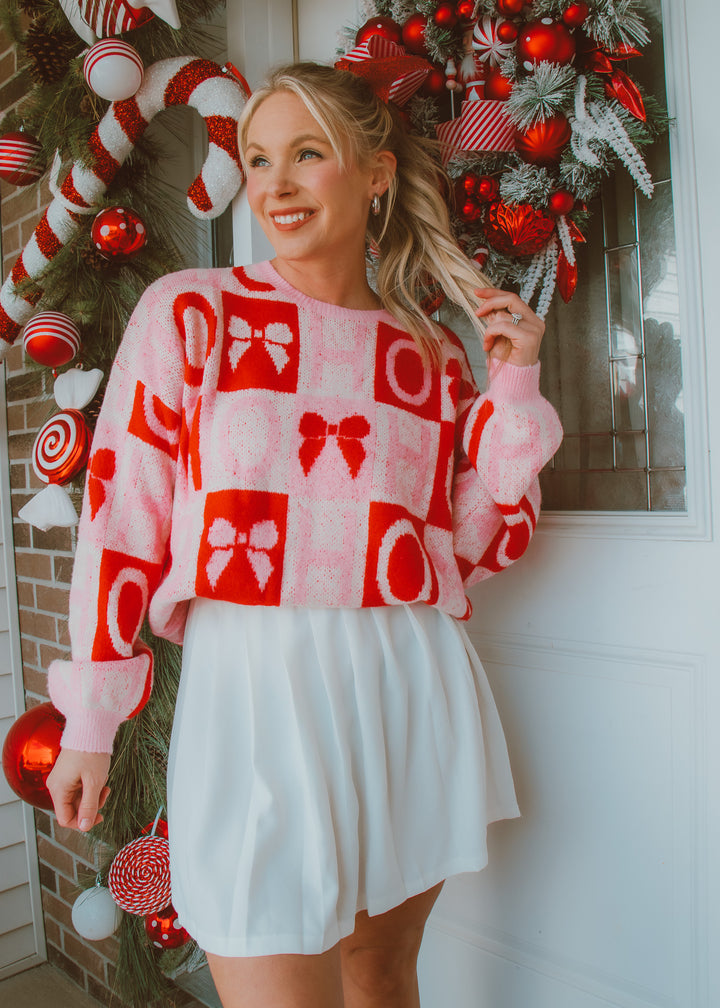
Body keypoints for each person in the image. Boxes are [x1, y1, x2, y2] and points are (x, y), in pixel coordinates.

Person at [46, 61, 563, 1008]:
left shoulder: (433, 350)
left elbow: (477, 543)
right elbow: (123, 520)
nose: (274, 183)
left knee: (382, 976)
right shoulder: (194, 314)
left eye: (306, 153)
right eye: (258, 157)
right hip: (254, 694)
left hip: (407, 680)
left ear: (373, 171)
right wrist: (91, 721)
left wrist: (513, 388)